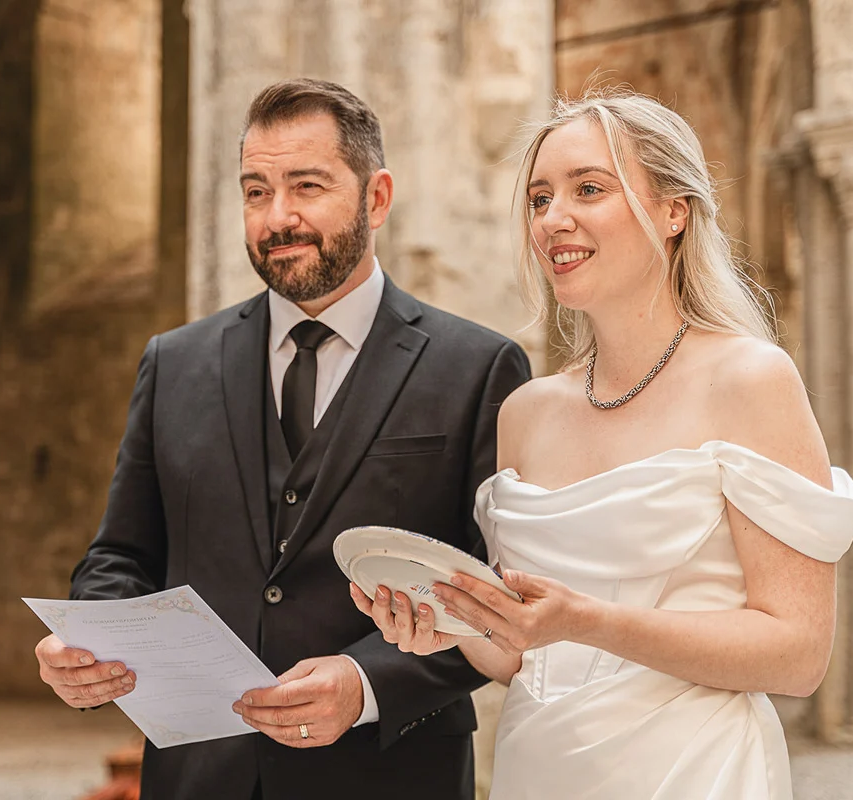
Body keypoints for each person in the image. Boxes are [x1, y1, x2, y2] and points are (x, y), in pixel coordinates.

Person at [353, 89, 853, 799]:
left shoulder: (750, 380)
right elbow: (520, 655)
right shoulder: (528, 412)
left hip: (695, 773)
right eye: (538, 199)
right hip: (541, 769)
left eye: (588, 189)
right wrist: (445, 628)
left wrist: (591, 621)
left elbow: (798, 654)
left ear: (673, 211)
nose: (553, 219)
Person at [33, 78, 531, 800]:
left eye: (307, 186)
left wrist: (365, 684)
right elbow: (122, 553)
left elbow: (498, 598)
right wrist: (89, 643)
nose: (278, 217)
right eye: (255, 191)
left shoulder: (478, 367)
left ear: (377, 197)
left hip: (388, 778)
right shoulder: (175, 362)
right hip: (199, 776)